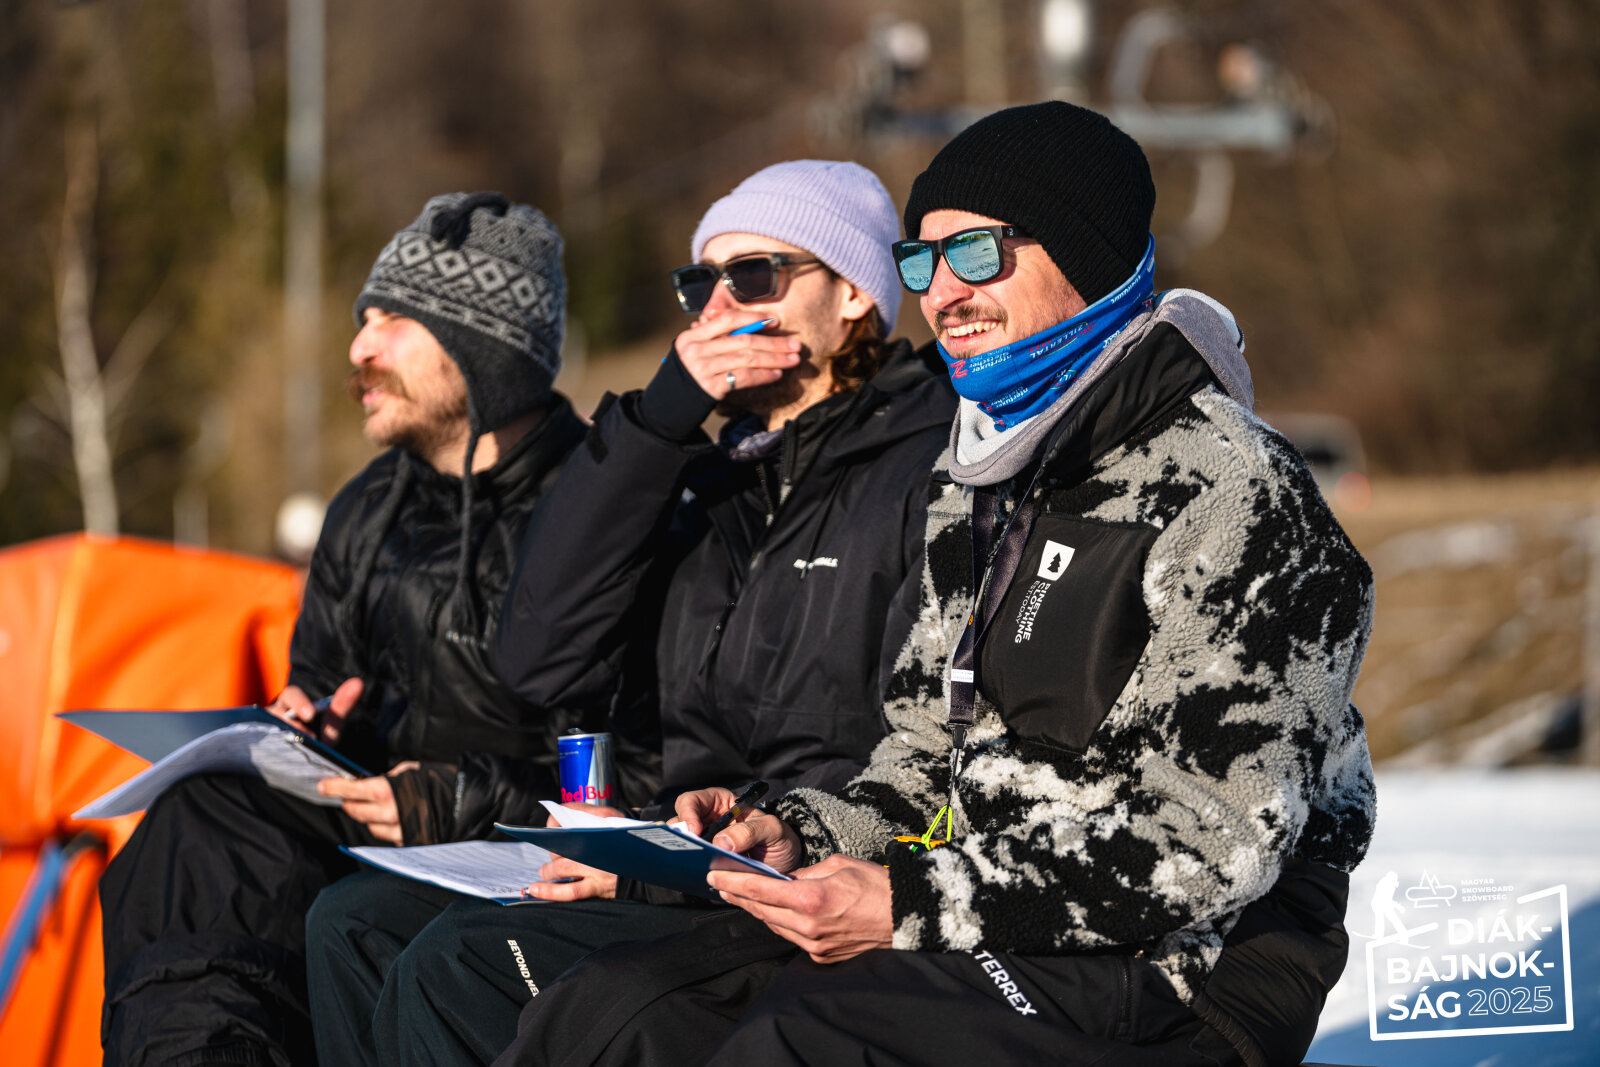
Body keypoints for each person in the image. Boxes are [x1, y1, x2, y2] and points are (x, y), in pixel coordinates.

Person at [499, 101, 1378, 1067]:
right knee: (619, 1011)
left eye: (977, 254)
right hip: (993, 920)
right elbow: (923, 753)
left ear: (1084, 253)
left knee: (801, 1038)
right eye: (923, 261)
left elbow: (1213, 843)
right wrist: (788, 833)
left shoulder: (1234, 488)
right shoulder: (986, 481)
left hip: (1184, 973)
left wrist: (911, 903)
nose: (942, 293)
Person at [304, 160, 958, 1066]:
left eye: (756, 275)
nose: (721, 305)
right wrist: (657, 422)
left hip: (793, 864)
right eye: (702, 284)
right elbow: (537, 654)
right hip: (665, 852)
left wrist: (693, 853)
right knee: (351, 924)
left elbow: (912, 744)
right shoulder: (704, 477)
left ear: (852, 293)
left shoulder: (931, 466)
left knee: (455, 970)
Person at [97, 193, 658, 1067]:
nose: (358, 348)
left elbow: (643, 766)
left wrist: (458, 798)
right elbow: (324, 678)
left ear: (487, 346)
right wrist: (306, 730)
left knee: (342, 915)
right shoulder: (364, 509)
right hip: (367, 832)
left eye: (392, 320)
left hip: (518, 863)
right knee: (199, 817)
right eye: (363, 319)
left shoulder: (594, 516)